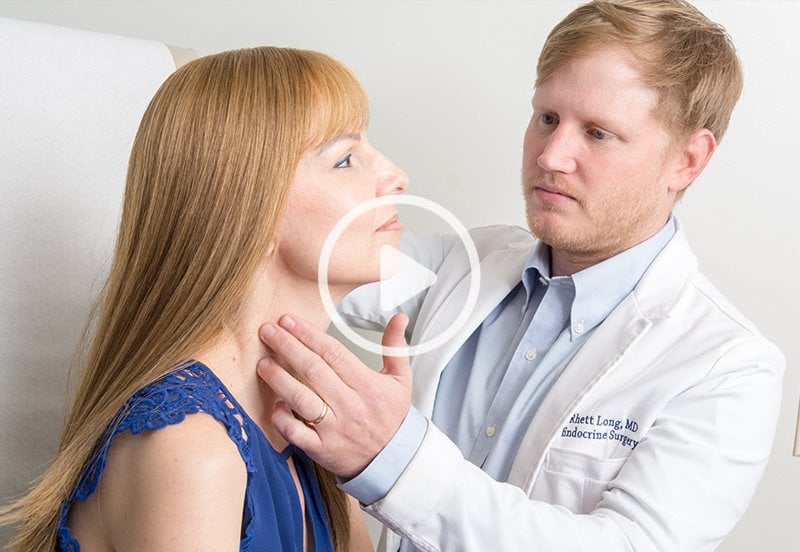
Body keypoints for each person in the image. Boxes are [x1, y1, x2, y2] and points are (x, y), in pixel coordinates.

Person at [256, 1, 785, 551]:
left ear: (688, 160)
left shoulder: (728, 367)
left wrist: (392, 459)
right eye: (547, 118)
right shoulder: (470, 263)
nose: (552, 156)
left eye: (598, 133)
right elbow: (311, 258)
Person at [0, 46, 409, 551]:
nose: (397, 177)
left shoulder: (317, 437)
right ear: (249, 211)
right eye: (345, 159)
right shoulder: (193, 454)